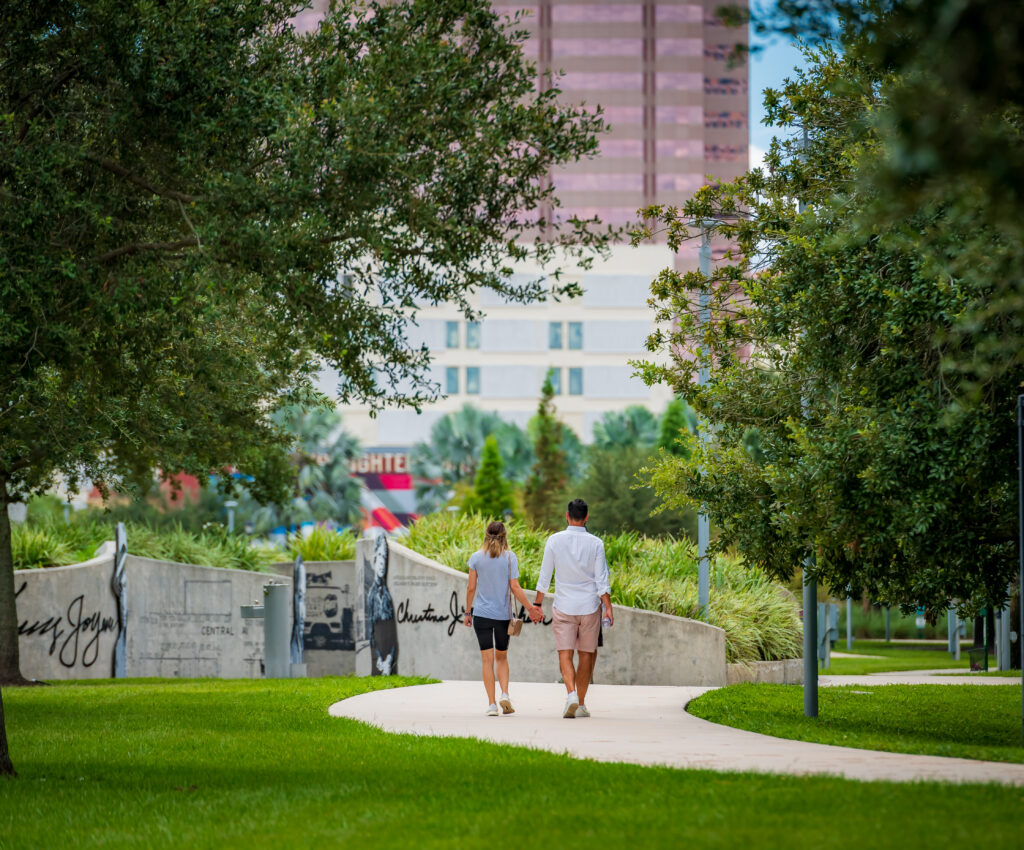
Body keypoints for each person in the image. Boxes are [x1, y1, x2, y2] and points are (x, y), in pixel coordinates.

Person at [533, 498, 612, 718]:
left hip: (564, 606)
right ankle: (582, 704)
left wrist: (537, 604)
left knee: (565, 654)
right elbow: (601, 580)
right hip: (589, 607)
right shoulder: (596, 543)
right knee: (586, 654)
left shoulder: (554, 541)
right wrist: (608, 607)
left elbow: (544, 576)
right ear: (587, 517)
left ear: (567, 516)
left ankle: (571, 695)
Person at [463, 521, 543, 716]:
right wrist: (531, 608)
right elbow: (515, 587)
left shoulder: (475, 558)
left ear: (485, 535)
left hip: (481, 615)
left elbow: (471, 588)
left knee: (486, 660)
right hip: (502, 616)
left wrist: (467, 612)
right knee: (502, 657)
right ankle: (505, 694)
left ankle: (491, 705)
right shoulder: (509, 558)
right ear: (505, 536)